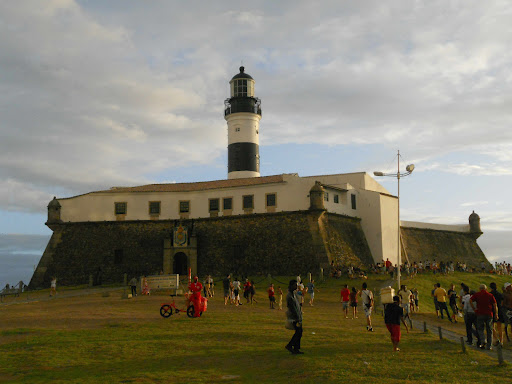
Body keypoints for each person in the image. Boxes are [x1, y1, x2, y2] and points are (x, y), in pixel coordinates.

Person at [470, 284, 498, 350]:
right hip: (489, 314)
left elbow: (470, 300)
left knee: (480, 329)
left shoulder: (477, 294)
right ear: (486, 289)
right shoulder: (490, 295)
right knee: (489, 330)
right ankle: (489, 345)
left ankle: (483, 341)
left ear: (480, 289)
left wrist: (474, 308)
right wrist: (496, 314)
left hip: (480, 313)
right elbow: (494, 305)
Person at [285, 280, 304, 354]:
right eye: (295, 285)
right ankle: (290, 345)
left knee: (299, 332)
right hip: (294, 318)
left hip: (297, 316)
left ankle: (296, 348)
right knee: (299, 332)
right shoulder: (289, 296)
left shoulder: (293, 294)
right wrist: (297, 318)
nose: (296, 287)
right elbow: (293, 308)